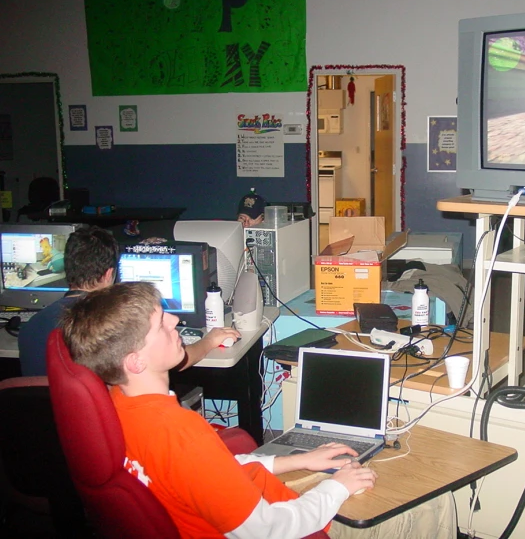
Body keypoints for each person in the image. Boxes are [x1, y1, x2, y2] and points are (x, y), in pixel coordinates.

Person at [62, 282, 456, 539]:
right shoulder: (180, 433)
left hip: (242, 505)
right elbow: (267, 529)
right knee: (429, 498)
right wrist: (337, 487)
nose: (176, 320)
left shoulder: (115, 407)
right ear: (134, 361)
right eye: (161, 325)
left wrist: (299, 461)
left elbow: (202, 472)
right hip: (282, 528)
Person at [18, 225, 238, 377]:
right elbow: (176, 360)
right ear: (109, 274)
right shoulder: (110, 326)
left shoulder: (32, 326)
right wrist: (210, 340)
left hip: (57, 435)